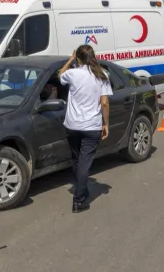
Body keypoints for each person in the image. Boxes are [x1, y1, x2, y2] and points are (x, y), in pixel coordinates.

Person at [58, 45, 112, 213]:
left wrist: (70, 60)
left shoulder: (72, 74)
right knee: (84, 163)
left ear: (78, 58)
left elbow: (60, 75)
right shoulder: (102, 75)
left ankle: (81, 189)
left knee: (77, 160)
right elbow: (104, 102)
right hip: (91, 126)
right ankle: (79, 200)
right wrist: (106, 124)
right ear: (93, 57)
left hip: (72, 125)